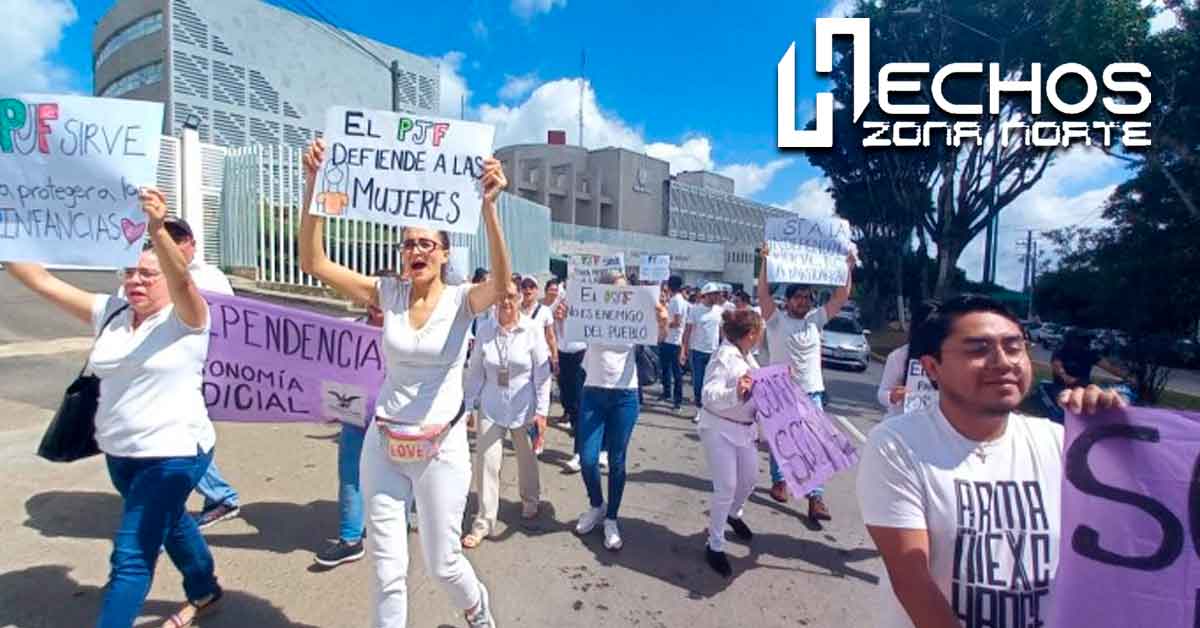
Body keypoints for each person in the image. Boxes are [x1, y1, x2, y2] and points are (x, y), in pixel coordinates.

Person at [299, 138, 509, 627]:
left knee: (443, 563)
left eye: (425, 243)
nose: (415, 250)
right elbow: (314, 263)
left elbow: (500, 283)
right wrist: (314, 187)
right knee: (387, 571)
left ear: (443, 253)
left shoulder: (462, 300)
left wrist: (490, 210)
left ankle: (477, 610)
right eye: (408, 242)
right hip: (385, 444)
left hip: (440, 449)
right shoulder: (386, 292)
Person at [7, 188, 222, 628]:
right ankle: (204, 588)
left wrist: (157, 228)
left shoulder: (188, 319)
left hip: (175, 454)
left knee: (131, 555)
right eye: (129, 272)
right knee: (173, 521)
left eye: (148, 273)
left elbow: (182, 282)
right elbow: (41, 281)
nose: (136, 281)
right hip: (121, 454)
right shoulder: (111, 312)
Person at [856, 294, 1125, 628]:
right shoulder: (897, 446)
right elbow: (913, 582)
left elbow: (1126, 543)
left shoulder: (1061, 443)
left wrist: (1115, 437)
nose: (1003, 362)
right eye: (978, 349)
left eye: (1014, 347)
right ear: (932, 368)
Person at [114, 216, 242, 529]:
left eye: (177, 238)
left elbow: (231, 324)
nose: (170, 243)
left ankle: (167, 512)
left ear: (192, 244)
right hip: (149, 373)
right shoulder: (144, 272)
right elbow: (122, 312)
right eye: (164, 237)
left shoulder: (209, 277)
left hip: (193, 372)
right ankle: (208, 499)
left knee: (176, 437)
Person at [559, 271, 667, 550]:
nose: (621, 295)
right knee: (587, 459)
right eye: (616, 290)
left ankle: (611, 519)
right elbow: (568, 331)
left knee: (617, 461)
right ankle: (597, 504)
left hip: (625, 396)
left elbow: (657, 337)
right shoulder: (591, 314)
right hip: (593, 392)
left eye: (625, 290)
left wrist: (662, 321)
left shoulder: (637, 315)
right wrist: (562, 316)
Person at [757, 243, 855, 520]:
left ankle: (816, 497)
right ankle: (779, 480)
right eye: (797, 297)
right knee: (782, 442)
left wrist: (847, 267)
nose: (803, 301)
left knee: (814, 445)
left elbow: (841, 295)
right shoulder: (775, 320)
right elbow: (763, 293)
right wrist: (765, 262)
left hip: (812, 393)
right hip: (780, 392)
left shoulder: (816, 320)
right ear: (787, 301)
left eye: (807, 297)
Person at [461, 278, 551, 548]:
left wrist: (542, 412)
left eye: (512, 296)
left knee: (527, 459)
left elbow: (542, 374)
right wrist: (468, 405)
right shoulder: (485, 330)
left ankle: (531, 500)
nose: (507, 302)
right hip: (491, 405)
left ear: (521, 299)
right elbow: (475, 371)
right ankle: (483, 521)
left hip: (524, 407)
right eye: (502, 297)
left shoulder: (532, 329)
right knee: (487, 463)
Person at [696, 308, 765, 577]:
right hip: (719, 428)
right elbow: (708, 395)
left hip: (744, 430)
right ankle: (715, 545)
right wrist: (736, 393)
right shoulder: (724, 356)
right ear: (750, 335)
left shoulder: (747, 355)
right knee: (726, 486)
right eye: (759, 333)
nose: (760, 338)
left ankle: (734, 514)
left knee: (749, 480)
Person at [553, 278, 599, 473]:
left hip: (581, 356)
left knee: (580, 405)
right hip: (563, 356)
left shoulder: (589, 308)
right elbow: (552, 324)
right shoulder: (559, 303)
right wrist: (559, 315)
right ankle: (587, 443)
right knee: (569, 402)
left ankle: (579, 453)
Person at [877, 300, 941, 418]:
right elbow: (882, 394)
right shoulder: (898, 356)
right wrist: (893, 396)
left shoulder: (948, 357)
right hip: (900, 425)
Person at [519, 275, 557, 454]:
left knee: (541, 399)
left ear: (536, 290)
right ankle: (527, 433)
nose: (527, 290)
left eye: (531, 287)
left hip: (541, 361)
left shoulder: (544, 311)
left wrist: (555, 356)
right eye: (524, 287)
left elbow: (550, 336)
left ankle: (539, 437)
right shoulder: (516, 309)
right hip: (522, 360)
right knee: (527, 400)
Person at [681, 283, 724, 411]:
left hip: (714, 351)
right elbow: (687, 331)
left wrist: (724, 347)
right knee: (698, 382)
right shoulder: (695, 310)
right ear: (707, 295)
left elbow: (722, 332)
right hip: (697, 351)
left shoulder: (719, 311)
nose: (717, 296)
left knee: (712, 382)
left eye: (718, 294)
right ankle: (699, 409)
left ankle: (709, 408)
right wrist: (684, 350)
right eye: (715, 294)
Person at [658, 275, 688, 412]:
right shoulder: (676, 300)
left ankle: (677, 401)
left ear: (670, 286)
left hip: (673, 341)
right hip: (668, 339)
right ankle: (667, 393)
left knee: (675, 372)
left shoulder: (677, 301)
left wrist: (664, 325)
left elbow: (677, 322)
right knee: (666, 369)